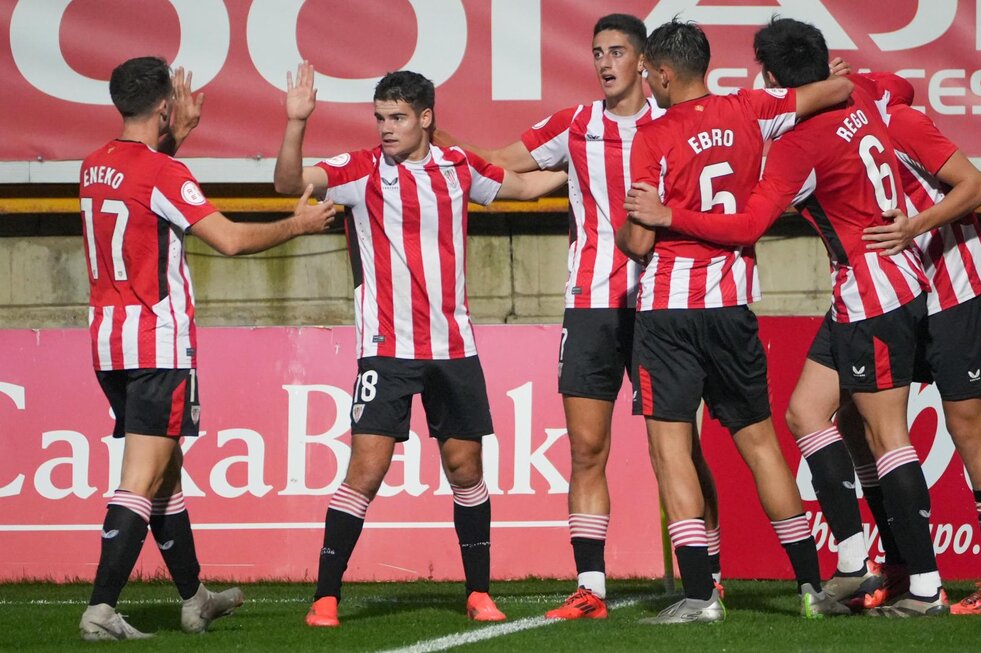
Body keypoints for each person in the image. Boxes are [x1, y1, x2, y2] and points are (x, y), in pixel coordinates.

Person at [625, 17, 951, 618]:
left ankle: (926, 587)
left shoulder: (795, 147)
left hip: (860, 289)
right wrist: (840, 84)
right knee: (798, 418)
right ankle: (841, 569)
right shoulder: (837, 96)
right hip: (861, 287)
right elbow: (897, 87)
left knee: (884, 435)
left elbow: (742, 226)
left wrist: (668, 215)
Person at [434, 13, 725, 619]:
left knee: (679, 449)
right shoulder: (575, 124)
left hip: (661, 303)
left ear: (644, 63)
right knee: (587, 448)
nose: (604, 62)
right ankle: (591, 587)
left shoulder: (673, 125)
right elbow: (506, 164)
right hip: (589, 305)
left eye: (617, 51)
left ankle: (710, 576)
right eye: (597, 51)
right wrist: (437, 145)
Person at [273, 64, 566, 626]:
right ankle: (326, 597)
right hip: (387, 349)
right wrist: (295, 123)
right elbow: (289, 184)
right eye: (381, 117)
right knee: (366, 468)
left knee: (464, 468)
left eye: (398, 117)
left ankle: (478, 593)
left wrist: (584, 169)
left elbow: (525, 187)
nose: (386, 128)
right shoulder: (359, 171)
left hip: (454, 348)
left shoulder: (458, 168)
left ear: (426, 119)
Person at [78, 56, 337, 641]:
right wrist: (296, 225)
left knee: (165, 477)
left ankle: (196, 598)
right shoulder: (164, 174)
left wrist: (180, 136)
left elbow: (146, 187)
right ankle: (100, 609)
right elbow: (230, 240)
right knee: (141, 480)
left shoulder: (96, 166)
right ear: (166, 106)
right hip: (156, 344)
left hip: (109, 343)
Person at [616, 19, 855, 623]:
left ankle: (700, 596)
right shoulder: (751, 107)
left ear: (665, 75)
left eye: (647, 73)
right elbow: (826, 91)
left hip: (670, 314)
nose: (646, 82)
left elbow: (640, 242)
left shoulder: (653, 136)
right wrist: (844, 79)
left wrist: (632, 224)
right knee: (761, 446)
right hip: (732, 309)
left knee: (672, 450)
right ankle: (810, 588)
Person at [827, 73, 981, 614]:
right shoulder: (846, 132)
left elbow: (977, 186)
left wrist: (914, 226)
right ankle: (901, 566)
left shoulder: (899, 121)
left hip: (956, 291)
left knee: (969, 427)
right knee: (854, 421)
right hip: (895, 298)